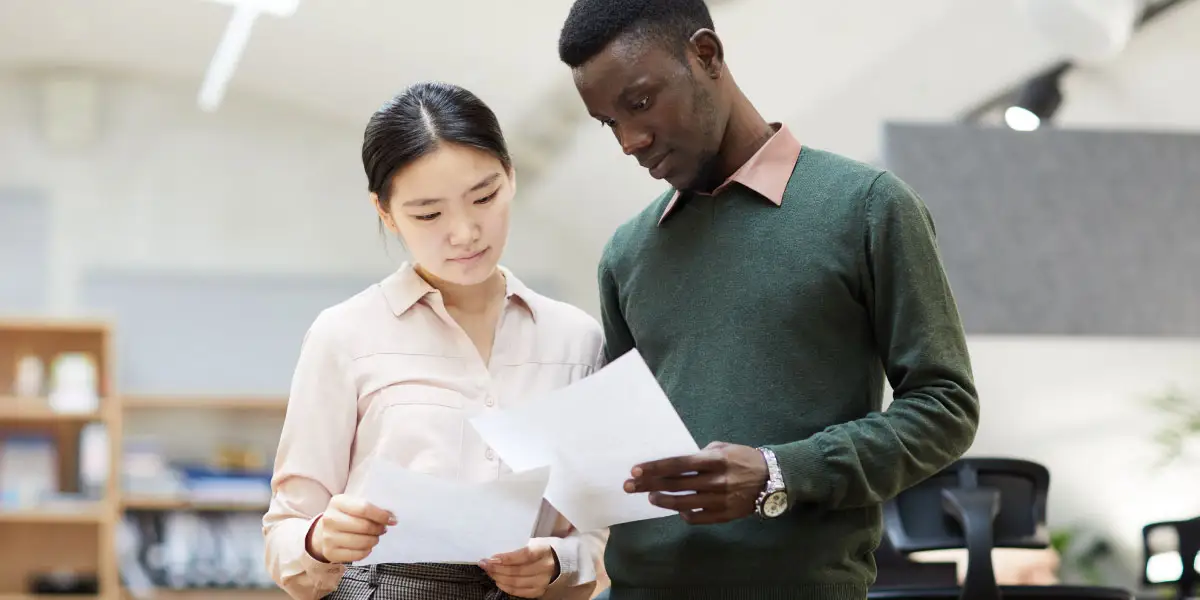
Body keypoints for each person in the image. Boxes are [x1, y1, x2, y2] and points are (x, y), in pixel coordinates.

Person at [555, 1, 981, 599]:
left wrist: (779, 473)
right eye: (608, 122)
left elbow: (946, 407)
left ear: (706, 55)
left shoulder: (867, 207)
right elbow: (625, 451)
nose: (630, 141)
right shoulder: (624, 255)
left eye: (641, 102)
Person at [263, 81, 608, 600]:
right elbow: (284, 532)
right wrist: (318, 540)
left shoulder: (576, 341)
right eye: (429, 214)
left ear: (511, 177)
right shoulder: (344, 335)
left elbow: (604, 534)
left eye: (485, 196)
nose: (465, 232)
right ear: (385, 212)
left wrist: (559, 562)